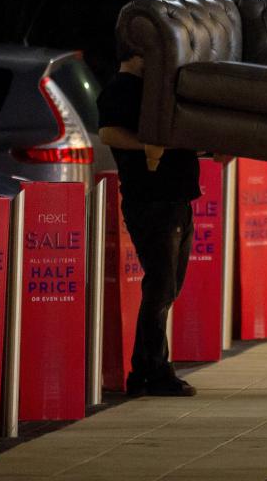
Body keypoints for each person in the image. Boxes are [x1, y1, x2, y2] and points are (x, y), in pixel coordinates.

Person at [97, 50, 200, 397]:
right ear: (138, 50)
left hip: (176, 200)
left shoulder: (154, 90)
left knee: (166, 288)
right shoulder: (122, 90)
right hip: (153, 201)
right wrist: (149, 146)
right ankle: (152, 370)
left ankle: (146, 369)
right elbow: (109, 132)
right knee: (161, 288)